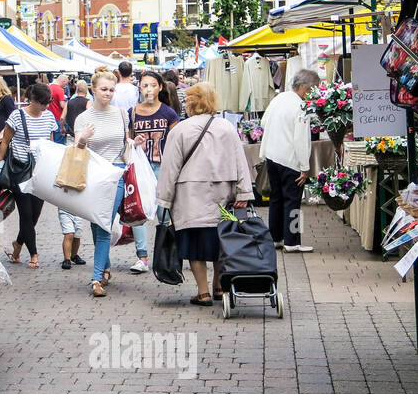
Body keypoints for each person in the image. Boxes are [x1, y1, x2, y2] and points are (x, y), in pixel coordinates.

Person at [154, 83, 254, 306]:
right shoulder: (226, 127)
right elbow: (240, 162)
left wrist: (164, 199)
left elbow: (170, 167)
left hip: (190, 196)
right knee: (221, 241)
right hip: (222, 194)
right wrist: (244, 192)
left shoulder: (180, 130)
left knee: (194, 244)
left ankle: (203, 292)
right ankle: (219, 287)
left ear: (190, 103)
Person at [73, 70, 130, 297]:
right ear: (93, 90)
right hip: (91, 175)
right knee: (95, 225)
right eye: (104, 89)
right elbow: (77, 149)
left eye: (111, 90)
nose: (108, 93)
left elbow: (124, 145)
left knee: (104, 224)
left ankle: (96, 279)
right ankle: (105, 266)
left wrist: (133, 145)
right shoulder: (83, 118)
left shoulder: (122, 114)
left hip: (115, 174)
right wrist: (83, 138)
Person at [0, 82, 58, 269]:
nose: (45, 107)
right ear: (33, 100)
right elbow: (5, 141)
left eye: (48, 103)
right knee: (26, 213)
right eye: (43, 103)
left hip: (41, 171)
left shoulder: (48, 116)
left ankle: (17, 246)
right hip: (20, 170)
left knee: (35, 215)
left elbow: (50, 142)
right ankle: (34, 255)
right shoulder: (17, 115)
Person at [125, 70, 181, 274]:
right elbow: (127, 141)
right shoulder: (132, 112)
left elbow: (176, 144)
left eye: (152, 85)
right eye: (144, 85)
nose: (148, 89)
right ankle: (142, 257)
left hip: (162, 168)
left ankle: (165, 255)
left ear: (159, 88)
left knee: (163, 213)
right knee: (138, 211)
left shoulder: (168, 113)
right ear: (139, 88)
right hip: (140, 167)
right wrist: (132, 144)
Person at [260, 67, 319, 253]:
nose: (314, 93)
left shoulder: (279, 99)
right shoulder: (301, 106)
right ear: (303, 87)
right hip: (290, 160)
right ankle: (292, 242)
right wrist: (304, 166)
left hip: (272, 155)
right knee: (293, 201)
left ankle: (275, 237)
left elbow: (263, 123)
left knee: (276, 199)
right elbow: (301, 139)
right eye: (313, 89)